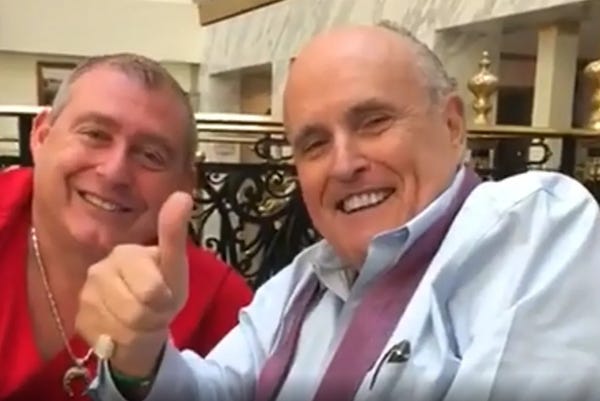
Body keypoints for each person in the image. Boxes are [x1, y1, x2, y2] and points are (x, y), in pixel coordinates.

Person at [83, 23, 600, 401]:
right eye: (314, 144)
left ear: (452, 125)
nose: (344, 164)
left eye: (373, 121)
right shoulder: (303, 281)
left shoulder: (534, 227)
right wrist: (140, 358)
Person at [0, 54, 253, 401]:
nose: (114, 172)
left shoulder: (220, 303)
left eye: (151, 155)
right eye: (94, 134)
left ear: (185, 183)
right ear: (41, 136)